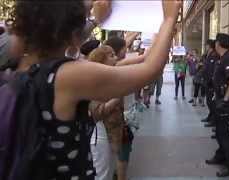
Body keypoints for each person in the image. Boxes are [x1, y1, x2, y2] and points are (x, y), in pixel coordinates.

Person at [8, 0, 182, 179]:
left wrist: (94, 19)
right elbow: (149, 70)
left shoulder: (19, 69)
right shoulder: (68, 75)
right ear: (73, 33)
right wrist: (169, 18)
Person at [205, 33, 229, 177]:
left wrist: (225, 100)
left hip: (226, 104)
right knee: (220, 132)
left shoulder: (228, 58)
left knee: (225, 135)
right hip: (219, 100)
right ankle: (220, 156)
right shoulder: (222, 58)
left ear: (218, 43)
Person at [88, 46, 118, 180]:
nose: (116, 58)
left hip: (110, 130)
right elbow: (97, 112)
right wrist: (117, 97)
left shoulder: (111, 77)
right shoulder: (95, 81)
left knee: (108, 169)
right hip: (100, 131)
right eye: (111, 56)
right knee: (102, 172)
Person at [202, 39, 219, 130]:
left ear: (210, 46)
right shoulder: (208, 55)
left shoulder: (214, 55)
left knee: (211, 102)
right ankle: (210, 116)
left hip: (211, 83)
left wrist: (211, 80)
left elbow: (213, 70)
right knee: (209, 101)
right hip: (207, 81)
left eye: (206, 45)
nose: (205, 46)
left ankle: (214, 120)